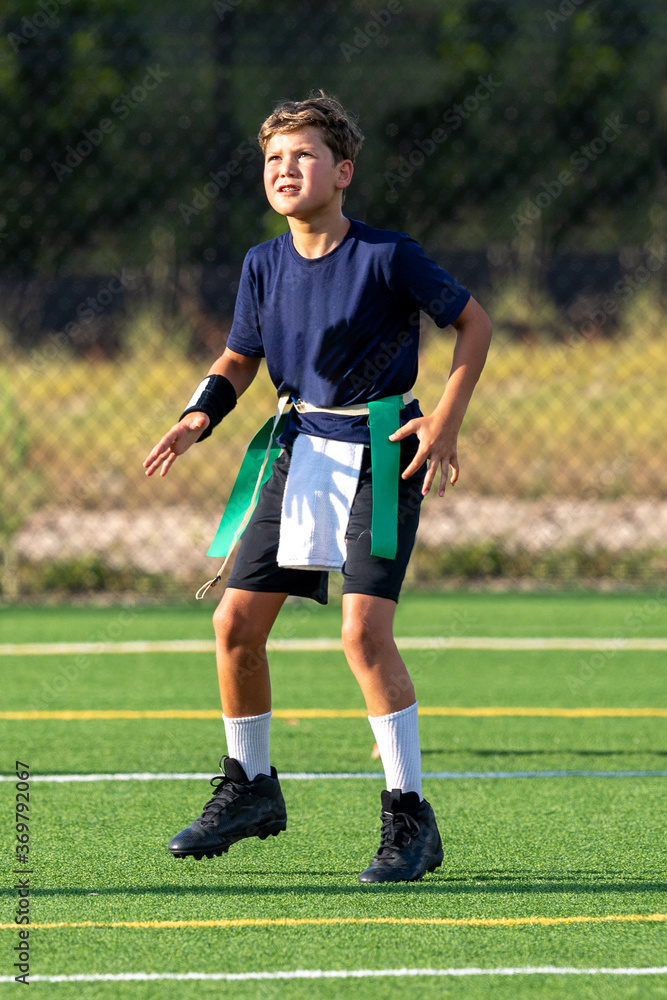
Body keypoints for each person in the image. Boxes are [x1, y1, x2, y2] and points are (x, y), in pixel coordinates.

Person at [143, 92, 492, 883]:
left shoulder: (386, 255)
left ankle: (410, 818)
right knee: (234, 623)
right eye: (272, 158)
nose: (284, 169)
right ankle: (251, 786)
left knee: (362, 636)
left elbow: (474, 322)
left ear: (342, 171)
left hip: (379, 450)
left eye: (301, 155)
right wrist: (198, 416)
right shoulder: (261, 264)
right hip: (299, 452)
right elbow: (239, 359)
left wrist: (444, 417)